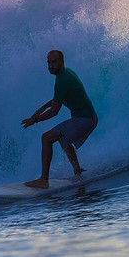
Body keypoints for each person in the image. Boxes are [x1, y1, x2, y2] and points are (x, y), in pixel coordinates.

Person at [21, 50, 98, 188]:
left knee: (46, 138)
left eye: (54, 62)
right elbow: (58, 98)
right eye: (48, 63)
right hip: (89, 117)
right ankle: (77, 171)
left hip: (84, 119)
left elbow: (55, 111)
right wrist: (41, 108)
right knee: (64, 138)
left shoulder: (63, 80)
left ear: (62, 62)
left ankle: (43, 180)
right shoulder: (65, 73)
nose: (51, 66)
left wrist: (34, 120)